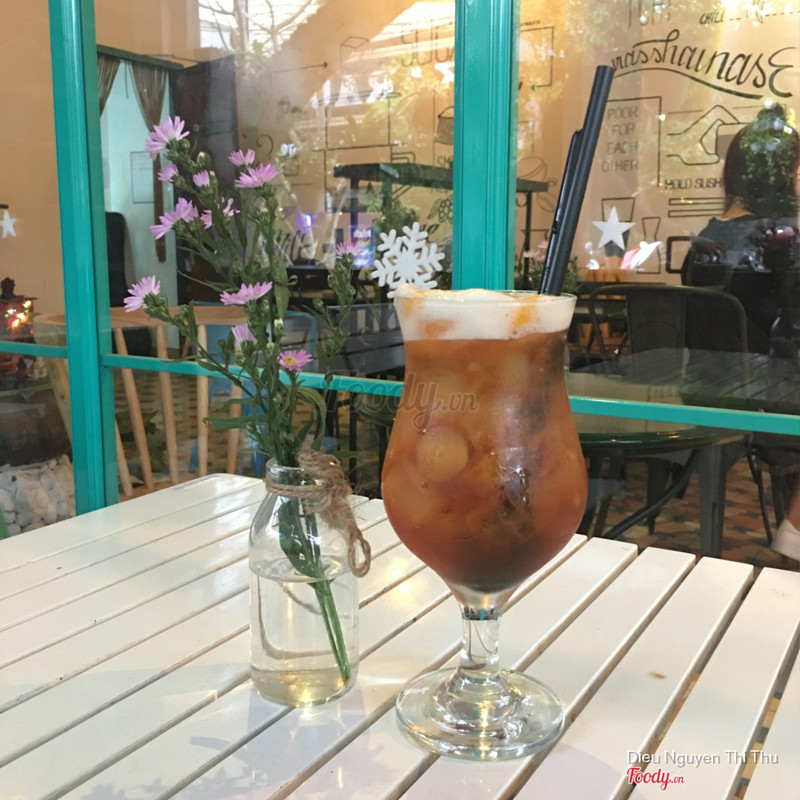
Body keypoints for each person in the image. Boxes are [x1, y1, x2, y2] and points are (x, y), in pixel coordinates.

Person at [683, 103, 800, 561]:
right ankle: (794, 528)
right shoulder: (781, 242)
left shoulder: (705, 241)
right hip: (767, 398)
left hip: (704, 388)